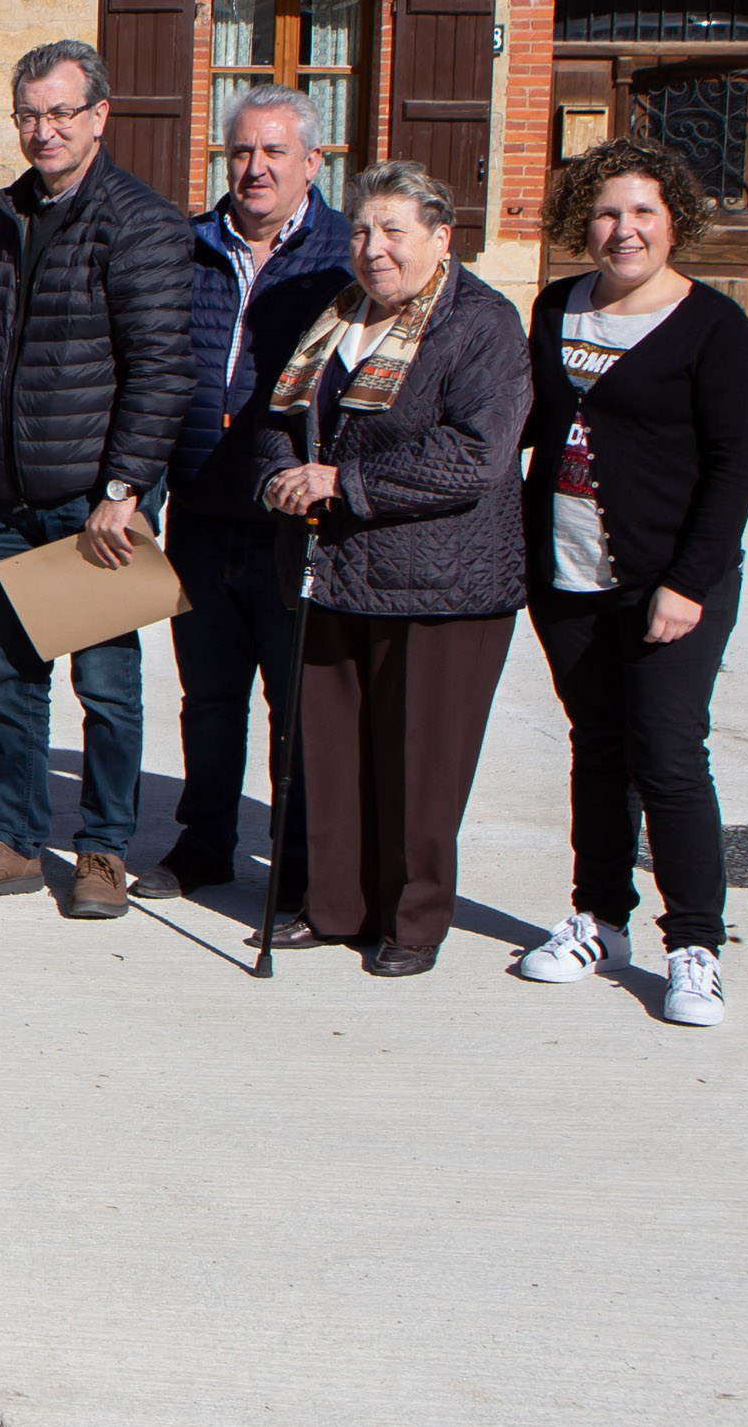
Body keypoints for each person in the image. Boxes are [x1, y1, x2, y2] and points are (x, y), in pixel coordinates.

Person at [0, 40, 192, 919]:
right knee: (9, 682)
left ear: (98, 117)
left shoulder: (138, 221)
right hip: (7, 494)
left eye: (61, 113)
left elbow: (161, 366)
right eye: (30, 115)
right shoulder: (10, 215)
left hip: (93, 504)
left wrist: (123, 488)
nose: (44, 131)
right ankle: (8, 841)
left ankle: (102, 853)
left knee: (107, 688)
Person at [512, 138, 748, 1028]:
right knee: (598, 745)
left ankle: (694, 945)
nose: (623, 230)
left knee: (666, 754)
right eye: (606, 212)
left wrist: (687, 582)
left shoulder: (712, 326)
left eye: (643, 213)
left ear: (674, 224)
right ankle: (599, 918)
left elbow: (738, 466)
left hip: (669, 578)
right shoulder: (554, 308)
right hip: (568, 571)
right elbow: (527, 425)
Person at [252, 161, 530, 979]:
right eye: (362, 232)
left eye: (393, 232)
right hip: (331, 567)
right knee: (330, 750)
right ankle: (336, 905)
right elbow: (283, 416)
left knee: (419, 762)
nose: (373, 249)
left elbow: (474, 455)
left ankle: (413, 921)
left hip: (438, 583)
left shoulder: (480, 324)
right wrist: (279, 473)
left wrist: (344, 483)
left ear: (440, 239)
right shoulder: (334, 315)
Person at [150, 85, 351, 903]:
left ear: (311, 162)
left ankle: (298, 862)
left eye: (273, 152)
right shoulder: (187, 246)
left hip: (289, 519)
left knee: (294, 700)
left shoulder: (342, 254)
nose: (254, 167)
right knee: (208, 696)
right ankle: (203, 842)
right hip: (197, 505)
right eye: (240, 151)